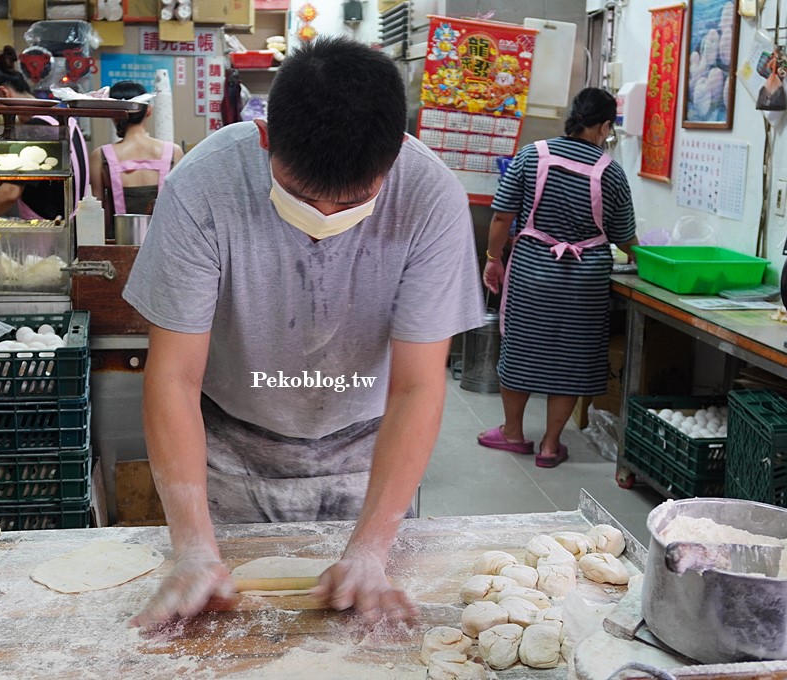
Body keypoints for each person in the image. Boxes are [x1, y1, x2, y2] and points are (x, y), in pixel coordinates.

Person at [122, 37, 485, 627]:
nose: (323, 218)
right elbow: (173, 375)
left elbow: (418, 386)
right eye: (299, 196)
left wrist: (370, 550)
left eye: (354, 201)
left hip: (370, 450)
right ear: (264, 136)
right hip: (229, 448)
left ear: (395, 153)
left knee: (365, 638)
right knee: (232, 635)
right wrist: (192, 547)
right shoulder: (203, 186)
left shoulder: (430, 197)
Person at [478, 88, 639, 469]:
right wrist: (643, 257)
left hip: (533, 270)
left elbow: (501, 216)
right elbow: (624, 236)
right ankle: (551, 445)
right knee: (572, 357)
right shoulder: (610, 171)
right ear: (602, 126)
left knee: (521, 348)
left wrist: (492, 259)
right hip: (585, 279)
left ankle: (514, 433)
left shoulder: (532, 155)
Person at [0, 46, 89, 221]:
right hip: (70, 227)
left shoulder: (37, 128)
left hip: (48, 233)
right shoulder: (61, 118)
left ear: (3, 93)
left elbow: (9, 193)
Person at [88, 81, 184, 239]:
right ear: (148, 111)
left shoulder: (100, 155)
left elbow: (97, 216)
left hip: (117, 248)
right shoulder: (174, 152)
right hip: (164, 248)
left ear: (114, 114)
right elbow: (180, 211)